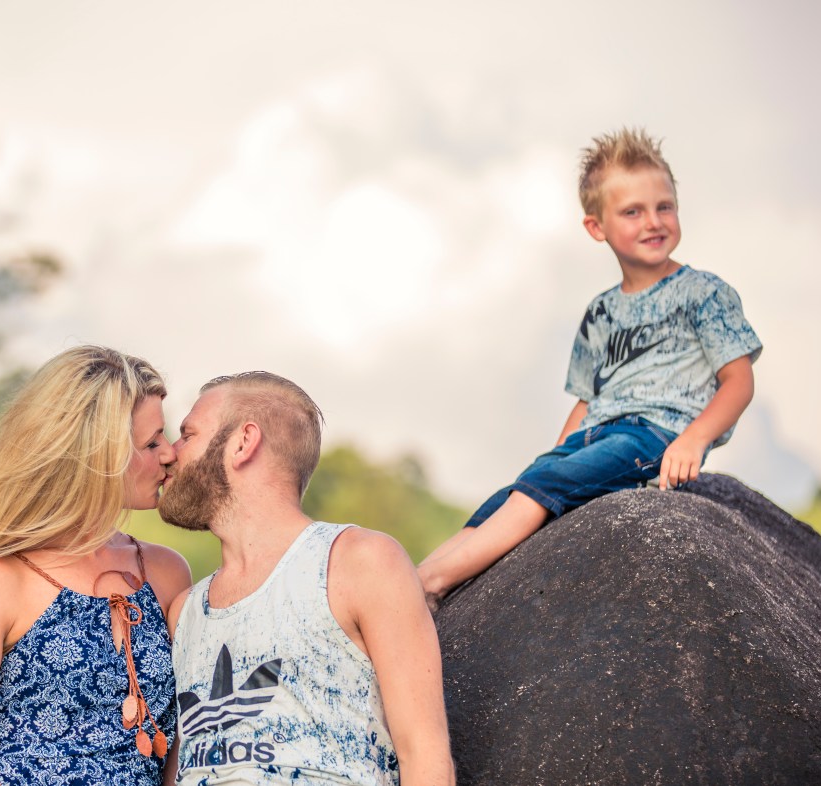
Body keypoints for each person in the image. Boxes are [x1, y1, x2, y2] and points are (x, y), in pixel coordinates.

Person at [418, 127, 762, 609]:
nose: (653, 221)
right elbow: (586, 399)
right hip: (595, 435)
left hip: (652, 435)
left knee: (542, 489)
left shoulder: (703, 293)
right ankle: (410, 581)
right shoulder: (600, 312)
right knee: (511, 496)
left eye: (664, 207)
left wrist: (694, 438)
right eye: (632, 212)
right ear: (597, 227)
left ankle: (431, 583)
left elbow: (738, 380)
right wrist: (559, 454)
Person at [157, 372, 455, 786]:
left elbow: (424, 756)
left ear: (243, 442)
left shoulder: (360, 563)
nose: (168, 454)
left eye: (186, 434)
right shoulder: (184, 611)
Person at [0, 346, 192, 786]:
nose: (168, 454)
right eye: (150, 442)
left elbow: (182, 745)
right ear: (97, 454)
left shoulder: (166, 573)